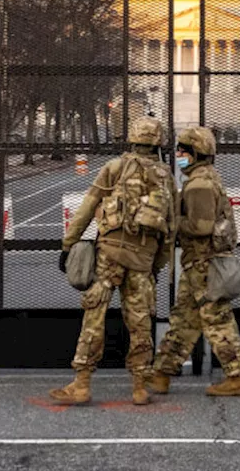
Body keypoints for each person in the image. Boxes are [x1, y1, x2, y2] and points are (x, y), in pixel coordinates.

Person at [49, 117, 176, 406]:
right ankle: (140, 386)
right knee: (140, 321)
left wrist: (69, 245)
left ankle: (81, 383)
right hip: (143, 259)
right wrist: (156, 265)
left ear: (131, 138)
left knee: (94, 315)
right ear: (158, 142)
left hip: (109, 254)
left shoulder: (115, 168)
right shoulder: (165, 176)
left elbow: (87, 208)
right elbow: (170, 229)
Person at [149, 126, 240, 397]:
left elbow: (201, 226)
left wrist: (170, 220)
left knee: (216, 320)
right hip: (200, 264)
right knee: (184, 319)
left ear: (196, 154)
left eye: (183, 150)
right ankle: (162, 373)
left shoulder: (200, 184)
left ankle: (237, 375)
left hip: (204, 264)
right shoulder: (204, 178)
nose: (179, 154)